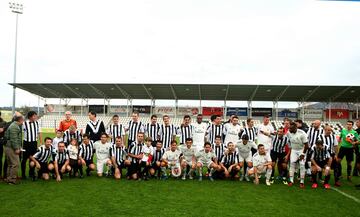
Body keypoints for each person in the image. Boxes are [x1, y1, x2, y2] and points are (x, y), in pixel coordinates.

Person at [287, 122, 309, 188]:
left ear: (295, 128)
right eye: (289, 128)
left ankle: (302, 182)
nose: (289, 130)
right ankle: (291, 180)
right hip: (294, 150)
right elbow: (289, 141)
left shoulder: (302, 134)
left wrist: (303, 154)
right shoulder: (289, 133)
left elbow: (306, 145)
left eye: (291, 128)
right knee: (292, 164)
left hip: (301, 150)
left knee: (302, 165)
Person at [4, 115, 24, 184]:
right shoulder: (15, 127)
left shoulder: (13, 125)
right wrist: (16, 148)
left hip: (9, 147)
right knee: (15, 164)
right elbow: (14, 139)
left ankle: (9, 179)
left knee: (10, 164)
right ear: (20, 120)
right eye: (23, 120)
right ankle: (12, 180)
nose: (23, 122)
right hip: (11, 148)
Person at [22, 111, 41, 179]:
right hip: (26, 143)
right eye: (34, 116)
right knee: (24, 159)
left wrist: (40, 142)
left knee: (33, 158)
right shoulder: (24, 123)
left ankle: (31, 173)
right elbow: (20, 132)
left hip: (34, 143)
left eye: (35, 115)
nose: (35, 117)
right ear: (30, 117)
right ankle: (23, 175)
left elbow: (39, 132)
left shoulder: (37, 123)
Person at [0, 111, 7, 178]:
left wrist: (3, 129)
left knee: (0, 159)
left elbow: (3, 131)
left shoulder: (3, 123)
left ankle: (1, 175)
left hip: (0, 143)